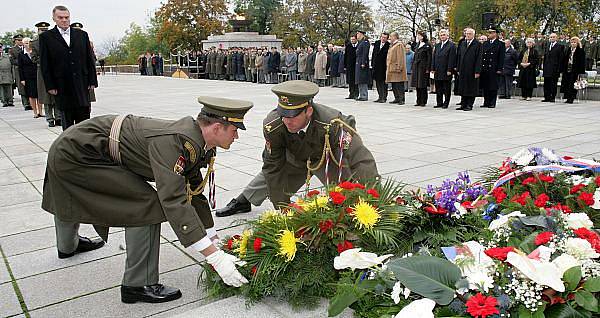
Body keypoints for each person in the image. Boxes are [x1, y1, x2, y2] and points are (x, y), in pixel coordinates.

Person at [42, 96, 253, 303]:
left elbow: (193, 193)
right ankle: (137, 284)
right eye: (234, 131)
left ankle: (67, 246)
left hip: (77, 144)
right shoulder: (175, 143)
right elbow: (173, 199)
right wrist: (214, 258)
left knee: (89, 194)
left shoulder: (195, 141)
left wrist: (215, 242)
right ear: (216, 128)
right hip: (76, 155)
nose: (236, 137)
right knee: (148, 205)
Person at [214, 80, 379, 216]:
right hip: (294, 158)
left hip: (327, 159)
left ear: (308, 111)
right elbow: (272, 167)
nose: (286, 121)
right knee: (268, 178)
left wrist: (375, 196)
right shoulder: (274, 125)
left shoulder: (333, 123)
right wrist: (283, 206)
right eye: (283, 115)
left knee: (345, 194)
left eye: (292, 116)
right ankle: (242, 201)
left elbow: (361, 159)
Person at [39, 6, 98, 130]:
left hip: (81, 83)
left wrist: (92, 80)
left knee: (85, 121)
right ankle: (70, 147)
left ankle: (84, 146)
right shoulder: (47, 37)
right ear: (54, 18)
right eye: (60, 18)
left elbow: (89, 59)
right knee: (67, 121)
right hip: (62, 85)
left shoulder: (82, 35)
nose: (64, 20)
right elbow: (45, 63)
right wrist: (50, 85)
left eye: (67, 17)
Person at [455, 28, 482, 111]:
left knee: (471, 87)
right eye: (466, 33)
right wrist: (458, 68)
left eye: (469, 34)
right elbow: (459, 56)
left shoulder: (477, 44)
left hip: (472, 69)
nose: (468, 35)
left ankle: (469, 104)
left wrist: (477, 71)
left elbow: (479, 58)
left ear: (473, 34)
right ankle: (463, 104)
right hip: (463, 69)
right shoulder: (462, 43)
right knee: (463, 87)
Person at [479, 28, 504, 108]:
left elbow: (501, 58)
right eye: (488, 32)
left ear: (495, 34)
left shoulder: (500, 44)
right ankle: (486, 102)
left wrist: (499, 69)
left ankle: (492, 102)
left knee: (493, 86)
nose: (489, 34)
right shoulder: (485, 43)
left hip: (494, 68)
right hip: (485, 67)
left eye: (491, 33)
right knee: (485, 86)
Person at [431, 29, 456, 108]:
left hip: (446, 70)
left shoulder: (451, 45)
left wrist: (449, 70)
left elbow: (452, 59)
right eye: (441, 35)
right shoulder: (437, 45)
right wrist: (433, 68)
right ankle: (439, 102)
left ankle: (446, 102)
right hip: (438, 70)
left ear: (447, 36)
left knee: (446, 88)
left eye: (444, 35)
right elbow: (434, 57)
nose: (442, 36)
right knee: (438, 88)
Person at [19, 38, 43, 118]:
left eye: (28, 42)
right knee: (32, 95)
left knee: (39, 94)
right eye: (25, 43)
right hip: (28, 77)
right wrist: (22, 79)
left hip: (37, 75)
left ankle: (40, 111)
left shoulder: (35, 51)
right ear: (23, 44)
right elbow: (20, 67)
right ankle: (35, 112)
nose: (27, 44)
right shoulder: (21, 54)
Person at [560, 37, 586, 104]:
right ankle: (567, 97)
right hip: (567, 69)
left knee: (573, 84)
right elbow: (564, 59)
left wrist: (580, 72)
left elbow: (582, 62)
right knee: (567, 83)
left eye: (574, 42)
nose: (573, 44)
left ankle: (571, 98)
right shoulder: (568, 49)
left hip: (575, 70)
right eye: (572, 42)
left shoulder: (580, 50)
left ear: (577, 43)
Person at [9, 34, 31, 110]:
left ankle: (30, 102)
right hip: (19, 69)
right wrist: (22, 62)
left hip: (28, 69)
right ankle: (26, 104)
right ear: (15, 41)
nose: (20, 41)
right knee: (22, 87)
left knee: (29, 85)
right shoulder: (12, 49)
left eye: (21, 40)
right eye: (18, 40)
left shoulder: (27, 47)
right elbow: (12, 60)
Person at [411, 31, 432, 106]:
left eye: (420, 35)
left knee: (422, 85)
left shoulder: (427, 45)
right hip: (416, 67)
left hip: (423, 67)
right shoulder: (417, 45)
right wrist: (413, 66)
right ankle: (418, 100)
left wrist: (428, 68)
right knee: (417, 85)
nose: (418, 37)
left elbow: (429, 58)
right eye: (418, 36)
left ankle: (423, 101)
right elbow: (415, 56)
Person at [385, 32, 407, 105]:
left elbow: (400, 57)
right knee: (394, 84)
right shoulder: (393, 45)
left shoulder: (399, 45)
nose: (389, 38)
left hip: (397, 68)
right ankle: (397, 98)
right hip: (392, 68)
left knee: (399, 84)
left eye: (391, 36)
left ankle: (401, 99)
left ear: (395, 37)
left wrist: (399, 67)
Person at [542, 33, 564, 102]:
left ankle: (552, 97)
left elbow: (561, 59)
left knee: (553, 84)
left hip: (554, 69)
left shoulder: (560, 46)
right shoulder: (547, 45)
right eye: (551, 37)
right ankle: (546, 97)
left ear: (556, 38)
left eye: (553, 37)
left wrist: (559, 69)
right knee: (546, 84)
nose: (552, 38)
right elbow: (545, 57)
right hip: (547, 69)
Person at [372, 32, 390, 103]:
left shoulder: (388, 45)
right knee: (377, 82)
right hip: (376, 66)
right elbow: (374, 54)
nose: (383, 39)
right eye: (382, 37)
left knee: (383, 83)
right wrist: (372, 64)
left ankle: (384, 97)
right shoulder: (377, 43)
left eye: (385, 38)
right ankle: (380, 96)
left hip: (383, 66)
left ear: (387, 38)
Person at [355, 30, 370, 101]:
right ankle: (361, 95)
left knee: (362, 79)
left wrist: (363, 62)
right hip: (358, 62)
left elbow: (365, 53)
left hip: (362, 63)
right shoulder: (360, 42)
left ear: (362, 34)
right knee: (359, 80)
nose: (357, 35)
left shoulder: (365, 42)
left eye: (358, 34)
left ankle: (364, 95)